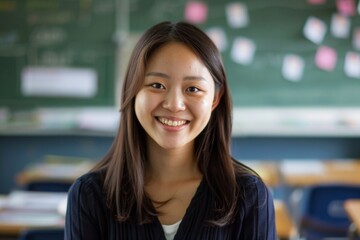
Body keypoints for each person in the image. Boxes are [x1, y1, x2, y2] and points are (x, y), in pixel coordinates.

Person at [65, 21, 276, 240]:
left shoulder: (249, 196)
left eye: (193, 89)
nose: (175, 104)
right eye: (157, 85)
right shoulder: (89, 196)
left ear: (215, 99)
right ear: (132, 90)